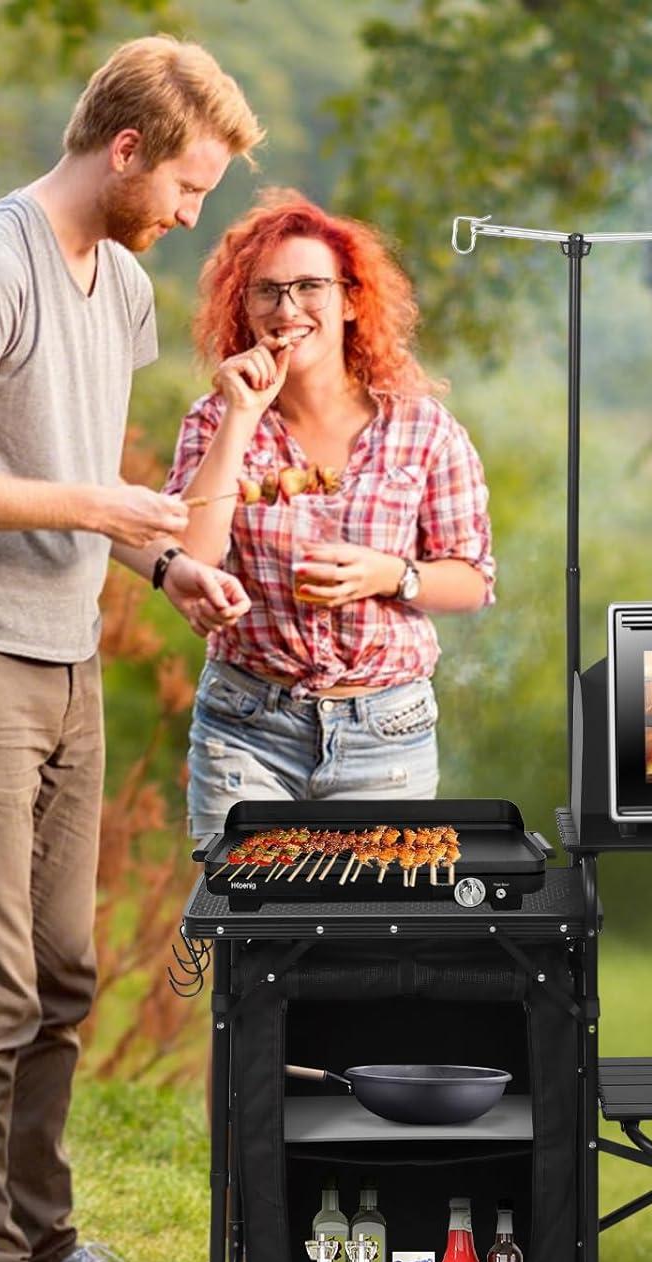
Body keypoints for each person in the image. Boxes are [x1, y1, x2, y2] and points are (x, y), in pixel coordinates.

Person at [0, 37, 263, 1262]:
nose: (191, 215)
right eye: (188, 187)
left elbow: (71, 466)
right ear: (126, 149)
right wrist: (102, 508)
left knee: (60, 970)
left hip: (65, 648)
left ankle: (45, 1244)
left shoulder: (123, 284)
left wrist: (162, 563)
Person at [164, 190, 495, 842]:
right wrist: (241, 416)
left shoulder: (423, 430)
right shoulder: (215, 420)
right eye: (266, 291)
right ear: (244, 307)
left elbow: (473, 580)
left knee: (369, 912)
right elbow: (190, 556)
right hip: (246, 726)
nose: (287, 309)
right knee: (250, 908)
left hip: (386, 733)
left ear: (349, 300)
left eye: (310, 287)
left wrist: (388, 574)